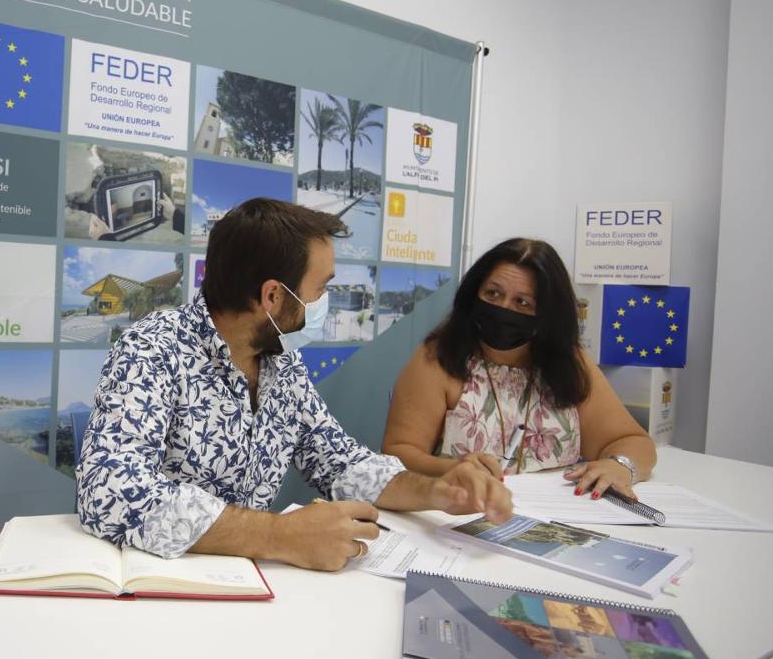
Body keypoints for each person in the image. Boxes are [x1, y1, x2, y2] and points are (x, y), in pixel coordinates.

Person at [75, 198, 512, 572]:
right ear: (273, 297)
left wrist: (436, 490)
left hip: (250, 588)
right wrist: (279, 535)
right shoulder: (153, 348)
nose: (323, 303)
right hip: (162, 587)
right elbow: (109, 491)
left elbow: (339, 462)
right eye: (320, 289)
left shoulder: (282, 362)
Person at [382, 238, 656, 501]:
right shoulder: (438, 358)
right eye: (493, 294)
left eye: (522, 302)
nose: (503, 309)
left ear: (548, 313)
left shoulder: (570, 363)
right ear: (473, 294)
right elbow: (398, 454)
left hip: (558, 518)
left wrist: (619, 466)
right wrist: (452, 469)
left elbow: (634, 442)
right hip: (462, 512)